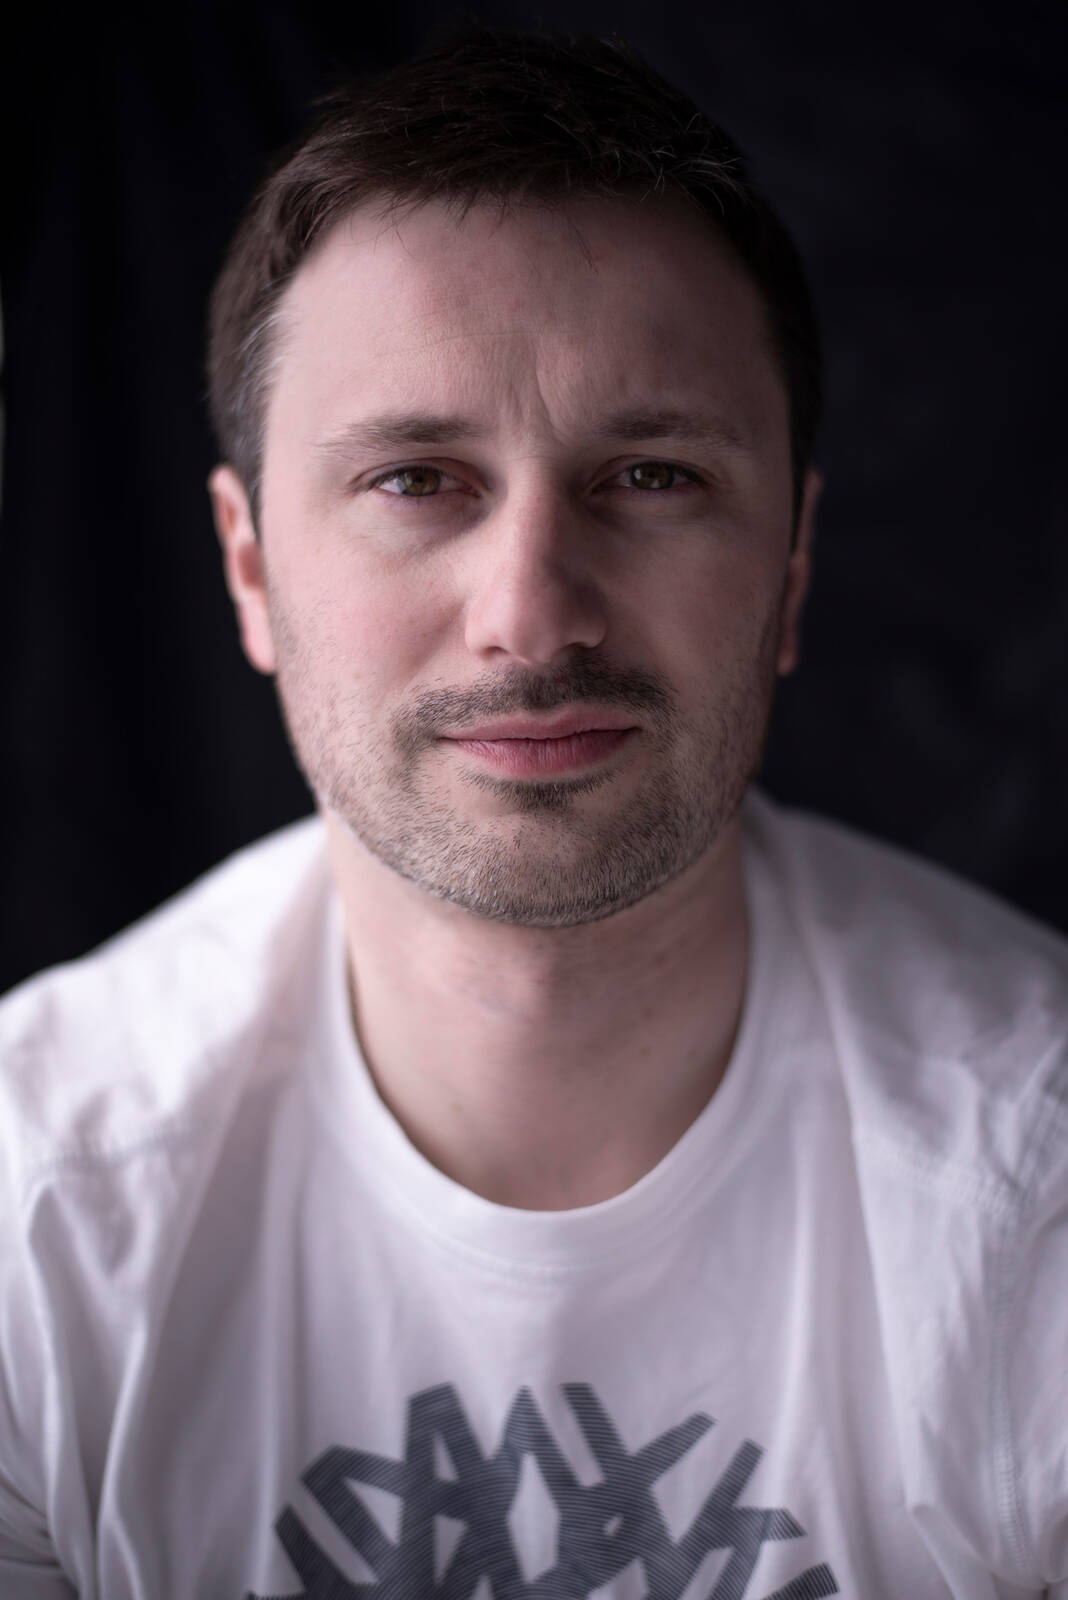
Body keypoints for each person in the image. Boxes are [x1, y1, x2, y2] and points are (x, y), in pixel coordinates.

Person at [0, 24, 1065, 1600]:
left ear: (790, 568)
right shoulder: (33, 1207)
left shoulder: (1035, 1189)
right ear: (251, 570)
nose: (531, 612)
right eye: (415, 479)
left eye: (649, 476)